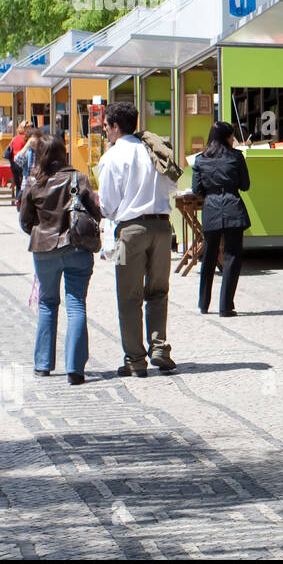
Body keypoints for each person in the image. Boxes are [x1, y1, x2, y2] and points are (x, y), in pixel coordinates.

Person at [96, 101, 177, 377]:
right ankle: (159, 347)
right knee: (158, 291)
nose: (104, 130)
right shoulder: (155, 150)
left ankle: (135, 359)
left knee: (128, 297)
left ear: (116, 126)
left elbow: (107, 205)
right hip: (162, 228)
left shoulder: (112, 157)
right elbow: (172, 186)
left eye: (105, 125)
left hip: (129, 231)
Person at [19, 133, 101, 385]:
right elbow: (96, 214)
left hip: (44, 251)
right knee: (76, 305)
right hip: (76, 248)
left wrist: (41, 227)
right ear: (63, 152)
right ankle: (75, 370)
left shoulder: (34, 183)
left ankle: (43, 365)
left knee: (47, 303)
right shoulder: (79, 178)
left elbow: (25, 222)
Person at [192, 120, 251, 317]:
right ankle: (226, 305)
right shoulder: (236, 157)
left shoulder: (200, 160)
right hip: (233, 206)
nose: (233, 138)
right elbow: (245, 185)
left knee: (208, 256)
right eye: (232, 135)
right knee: (232, 256)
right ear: (227, 137)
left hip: (211, 208)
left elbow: (196, 190)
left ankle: (203, 303)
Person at [7, 120, 32, 204]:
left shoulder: (15, 138)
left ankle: (17, 201)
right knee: (23, 183)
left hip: (13, 163)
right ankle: (22, 201)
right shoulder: (27, 139)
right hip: (21, 163)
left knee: (18, 184)